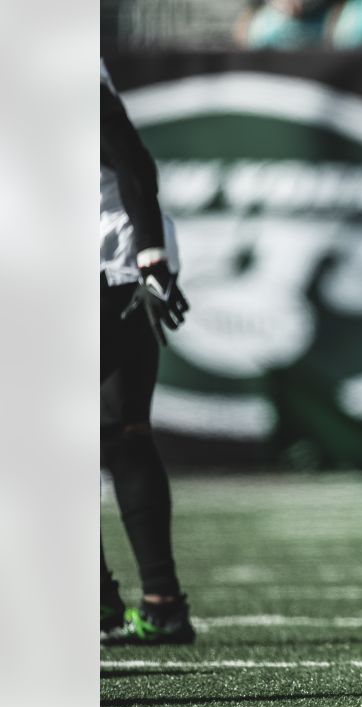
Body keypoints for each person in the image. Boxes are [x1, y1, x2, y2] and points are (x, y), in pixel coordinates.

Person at [100, 60, 196, 645]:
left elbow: (128, 154)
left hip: (106, 251)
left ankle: (95, 605)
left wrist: (150, 255)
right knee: (122, 428)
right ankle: (160, 605)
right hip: (117, 250)